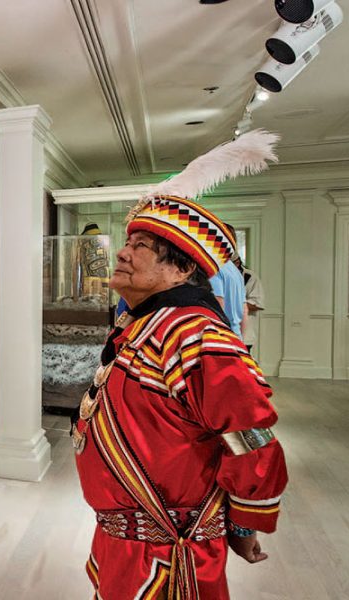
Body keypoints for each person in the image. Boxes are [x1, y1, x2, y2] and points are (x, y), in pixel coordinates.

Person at [71, 131, 287, 600]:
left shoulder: (200, 339)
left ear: (183, 269)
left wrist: (244, 523)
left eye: (142, 245)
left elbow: (251, 438)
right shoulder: (142, 325)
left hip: (168, 555)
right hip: (125, 543)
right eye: (128, 241)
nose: (123, 252)